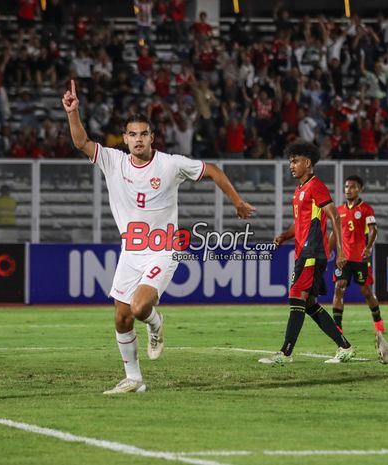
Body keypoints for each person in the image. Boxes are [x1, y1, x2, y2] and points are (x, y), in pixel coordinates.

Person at [62, 80, 255, 394]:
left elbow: (213, 170)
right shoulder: (113, 161)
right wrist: (73, 112)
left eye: (144, 134)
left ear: (152, 137)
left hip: (163, 249)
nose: (138, 139)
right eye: (133, 134)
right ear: (125, 139)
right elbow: (82, 142)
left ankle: (156, 323)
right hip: (131, 252)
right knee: (121, 318)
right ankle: (134, 380)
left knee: (139, 309)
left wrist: (237, 202)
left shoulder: (170, 164)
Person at [258, 141, 355, 365]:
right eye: (290, 161)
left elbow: (335, 216)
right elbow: (300, 224)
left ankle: (285, 353)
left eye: (295, 161)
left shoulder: (315, 186)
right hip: (304, 251)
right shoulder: (299, 190)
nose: (291, 165)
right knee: (309, 304)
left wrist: (340, 251)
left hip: (313, 251)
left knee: (295, 296)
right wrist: (285, 235)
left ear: (307, 163)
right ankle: (345, 347)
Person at [330, 175, 384, 333]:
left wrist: (368, 247)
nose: (348, 190)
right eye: (346, 187)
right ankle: (337, 326)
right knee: (339, 287)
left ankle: (378, 320)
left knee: (365, 291)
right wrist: (327, 251)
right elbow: (335, 233)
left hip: (360, 257)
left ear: (359, 190)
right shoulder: (338, 211)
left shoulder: (366, 209)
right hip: (343, 257)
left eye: (352, 187)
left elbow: (374, 229)